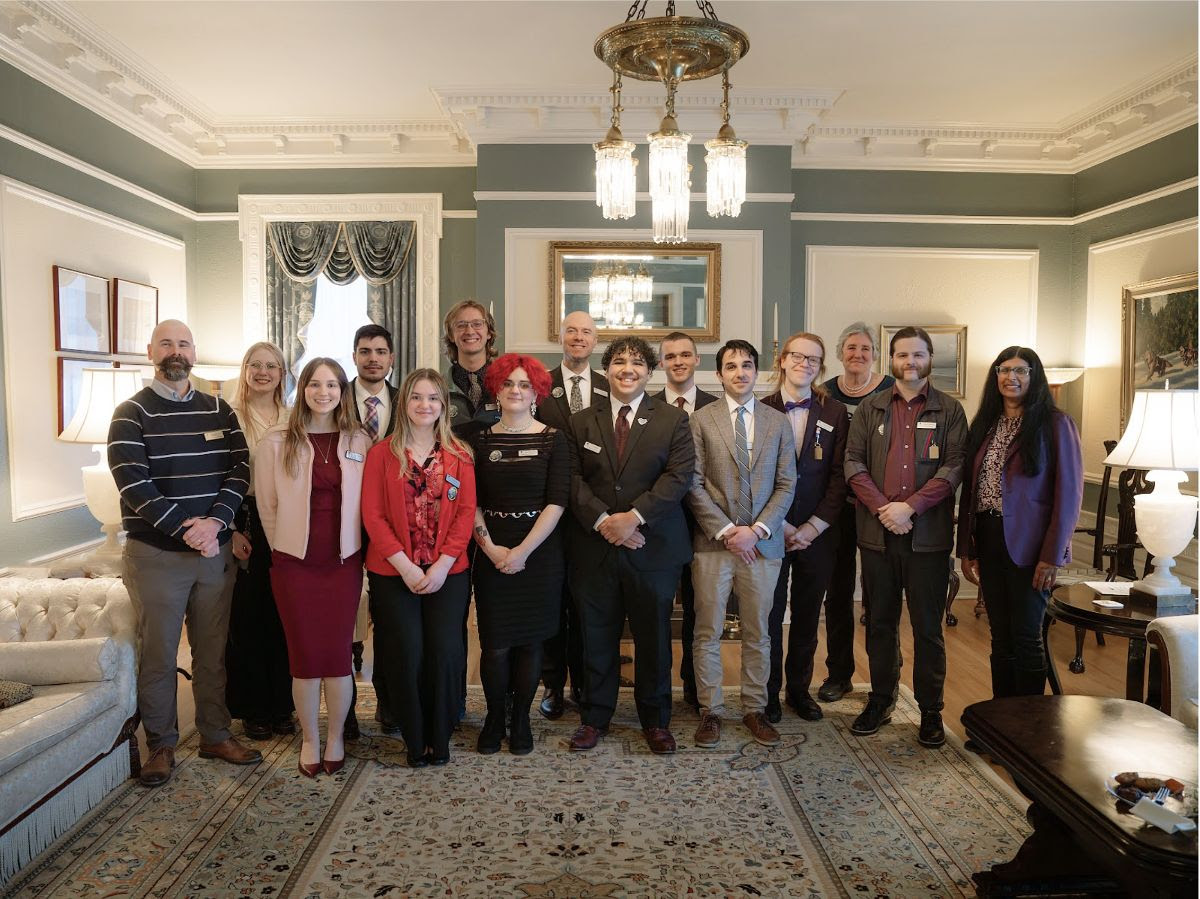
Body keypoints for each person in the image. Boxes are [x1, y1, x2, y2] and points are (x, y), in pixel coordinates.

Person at [108, 319, 260, 788]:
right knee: (158, 654)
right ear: (151, 350)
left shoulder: (220, 410)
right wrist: (186, 529)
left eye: (184, 343)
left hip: (214, 552)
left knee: (213, 652)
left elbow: (239, 470)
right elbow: (134, 485)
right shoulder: (130, 413)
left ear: (194, 353)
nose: (176, 351)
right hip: (156, 555)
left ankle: (215, 733)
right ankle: (161, 745)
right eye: (167, 343)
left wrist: (215, 523)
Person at [565, 336, 695, 755]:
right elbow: (571, 479)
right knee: (596, 635)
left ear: (649, 372)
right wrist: (605, 521)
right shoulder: (582, 420)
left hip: (652, 548)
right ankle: (595, 716)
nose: (628, 368)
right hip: (594, 548)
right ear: (606, 370)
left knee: (654, 638)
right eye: (619, 361)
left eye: (637, 362)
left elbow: (677, 478)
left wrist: (633, 518)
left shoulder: (672, 421)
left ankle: (655, 720)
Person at [844, 326, 966, 748]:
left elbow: (953, 469)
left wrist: (910, 507)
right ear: (890, 360)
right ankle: (881, 700)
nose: (909, 362)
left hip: (927, 539)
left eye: (917, 355)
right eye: (901, 355)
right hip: (877, 536)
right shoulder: (869, 409)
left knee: (928, 628)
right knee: (879, 623)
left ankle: (931, 712)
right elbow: (853, 464)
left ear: (929, 358)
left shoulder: (949, 411)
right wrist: (885, 509)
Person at [254, 358, 370, 777]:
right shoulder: (276, 441)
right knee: (303, 656)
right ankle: (310, 738)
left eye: (333, 385)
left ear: (343, 391)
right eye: (315, 384)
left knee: (337, 654)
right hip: (293, 565)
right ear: (301, 389)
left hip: (343, 563)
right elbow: (266, 506)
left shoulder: (360, 439)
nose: (324, 392)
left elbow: (367, 502)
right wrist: (283, 550)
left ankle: (336, 735)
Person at [362, 368, 476, 767]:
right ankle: (414, 739)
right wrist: (407, 568)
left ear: (443, 406)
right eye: (416, 397)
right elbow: (373, 516)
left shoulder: (460, 456)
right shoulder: (381, 454)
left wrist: (443, 566)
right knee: (406, 653)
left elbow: (464, 516)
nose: (424, 405)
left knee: (444, 654)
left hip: (448, 572)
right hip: (394, 573)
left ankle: (439, 737)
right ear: (404, 403)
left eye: (432, 398)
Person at [687, 340, 796, 749]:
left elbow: (787, 483)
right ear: (718, 374)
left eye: (747, 365)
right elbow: (693, 483)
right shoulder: (700, 420)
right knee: (707, 631)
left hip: (763, 547)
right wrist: (730, 531)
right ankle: (710, 711)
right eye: (730, 366)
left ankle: (754, 708)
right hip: (714, 544)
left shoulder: (777, 421)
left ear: (758, 371)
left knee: (759, 632)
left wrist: (759, 530)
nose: (740, 372)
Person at [957, 347, 1083, 698]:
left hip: (1031, 547)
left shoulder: (1056, 424)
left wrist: (1052, 556)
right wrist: (967, 548)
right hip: (989, 537)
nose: (1010, 377)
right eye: (1003, 369)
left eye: (1021, 371)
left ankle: (1028, 730)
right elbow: (971, 488)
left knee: (1027, 636)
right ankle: (1002, 723)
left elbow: (1069, 496)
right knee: (1000, 636)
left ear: (1034, 376)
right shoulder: (986, 424)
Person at [466, 354, 569, 754]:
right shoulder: (479, 440)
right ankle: (495, 717)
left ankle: (522, 718)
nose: (515, 390)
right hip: (491, 552)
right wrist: (491, 549)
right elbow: (471, 502)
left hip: (539, 556)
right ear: (497, 389)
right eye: (508, 383)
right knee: (495, 644)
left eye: (524, 385)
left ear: (536, 393)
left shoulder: (553, 438)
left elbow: (556, 503)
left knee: (530, 644)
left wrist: (522, 552)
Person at [762, 332, 849, 722]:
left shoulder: (835, 413)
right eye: (798, 356)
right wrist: (776, 524)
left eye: (813, 359)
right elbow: (754, 476)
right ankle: (767, 694)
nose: (804, 363)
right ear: (783, 360)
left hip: (817, 534)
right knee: (769, 613)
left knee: (806, 614)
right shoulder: (760, 408)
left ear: (820, 367)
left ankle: (798, 690)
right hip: (771, 532)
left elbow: (838, 476)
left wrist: (814, 526)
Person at [817, 323, 895, 704]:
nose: (858, 354)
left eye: (865, 348)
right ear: (840, 352)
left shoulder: (891, 391)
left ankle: (887, 677)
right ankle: (839, 673)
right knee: (838, 593)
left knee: (882, 594)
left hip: (880, 508)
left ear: (875, 355)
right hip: (837, 509)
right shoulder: (825, 392)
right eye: (851, 348)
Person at [534, 311, 606, 719]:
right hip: (549, 512)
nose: (579, 338)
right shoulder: (540, 384)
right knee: (552, 605)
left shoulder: (606, 385)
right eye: (572, 330)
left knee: (587, 607)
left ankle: (583, 683)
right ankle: (552, 686)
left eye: (587, 332)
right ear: (560, 336)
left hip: (593, 516)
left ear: (595, 341)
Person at [224, 341, 293, 741]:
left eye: (272, 365)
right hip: (244, 523)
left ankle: (283, 706)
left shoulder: (292, 416)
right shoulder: (229, 417)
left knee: (282, 617)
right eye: (256, 364)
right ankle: (253, 708)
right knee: (247, 619)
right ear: (245, 369)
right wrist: (231, 530)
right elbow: (219, 477)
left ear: (283, 374)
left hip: (284, 522)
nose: (264, 371)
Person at [654, 330, 719, 710]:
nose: (678, 361)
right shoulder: (644, 407)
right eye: (670, 356)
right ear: (661, 364)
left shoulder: (717, 406)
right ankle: (659, 687)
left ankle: (695, 686)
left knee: (701, 610)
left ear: (697, 360)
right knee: (660, 611)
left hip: (707, 528)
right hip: (663, 526)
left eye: (685, 355)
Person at [348, 323, 400, 740]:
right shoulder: (331, 398)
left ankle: (388, 701)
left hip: (392, 524)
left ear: (391, 359)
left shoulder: (407, 402)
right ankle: (344, 710)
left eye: (380, 351)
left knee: (388, 619)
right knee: (344, 616)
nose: (373, 358)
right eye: (365, 351)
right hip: (343, 521)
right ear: (355, 357)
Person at [444, 299, 500, 429]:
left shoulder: (509, 385)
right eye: (461, 325)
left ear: (489, 333)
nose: (469, 331)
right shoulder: (438, 388)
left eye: (477, 324)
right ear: (451, 335)